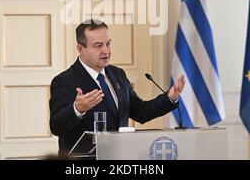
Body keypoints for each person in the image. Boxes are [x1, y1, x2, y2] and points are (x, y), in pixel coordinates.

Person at [49, 19, 186, 156]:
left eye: (108, 44)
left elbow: (141, 112)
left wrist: (170, 97)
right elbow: (56, 127)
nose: (106, 50)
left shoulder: (117, 74)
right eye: (98, 46)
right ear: (81, 49)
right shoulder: (64, 81)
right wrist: (77, 109)